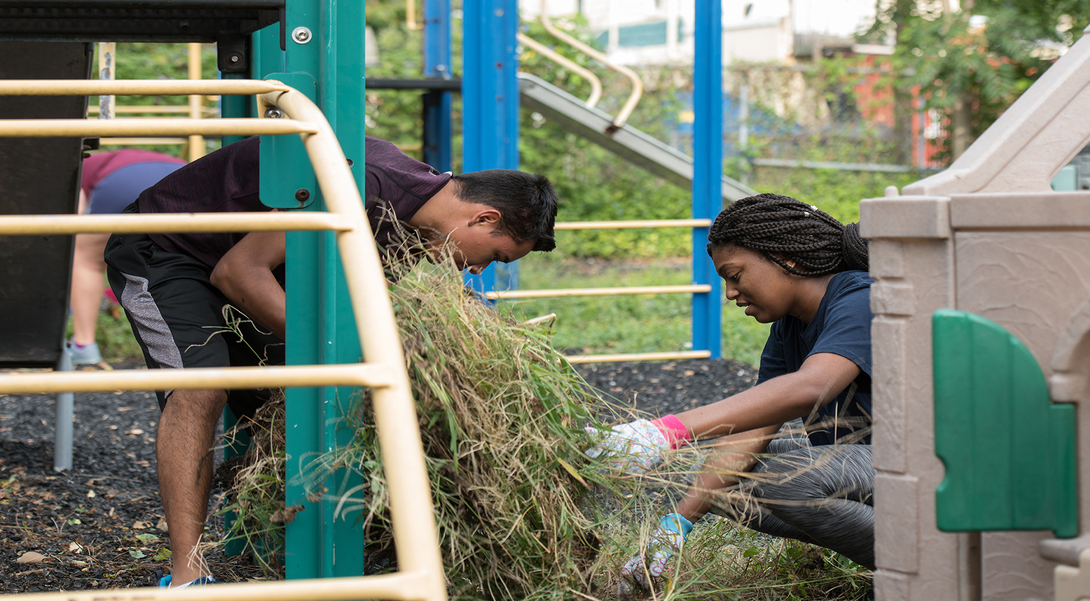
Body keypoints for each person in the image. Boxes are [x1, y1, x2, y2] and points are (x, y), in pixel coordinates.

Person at [104, 135, 559, 588]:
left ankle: (314, 540)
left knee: (304, 390)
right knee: (201, 388)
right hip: (168, 250)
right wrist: (339, 354)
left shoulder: (418, 226)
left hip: (249, 262)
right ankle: (188, 572)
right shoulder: (362, 186)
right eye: (494, 256)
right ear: (484, 217)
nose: (476, 271)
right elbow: (237, 272)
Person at [588, 193, 874, 593]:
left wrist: (667, 430)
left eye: (735, 275)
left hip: (920, 465)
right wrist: (677, 527)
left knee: (782, 479)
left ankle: (916, 561)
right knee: (724, 479)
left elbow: (812, 385)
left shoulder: (860, 297)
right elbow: (752, 429)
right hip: (868, 465)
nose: (729, 293)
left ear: (785, 258)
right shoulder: (789, 326)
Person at [68, 149, 185, 365]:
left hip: (122, 180)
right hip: (184, 174)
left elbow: (74, 214)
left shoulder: (71, 164)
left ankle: (84, 346)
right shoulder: (112, 158)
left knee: (85, 259)